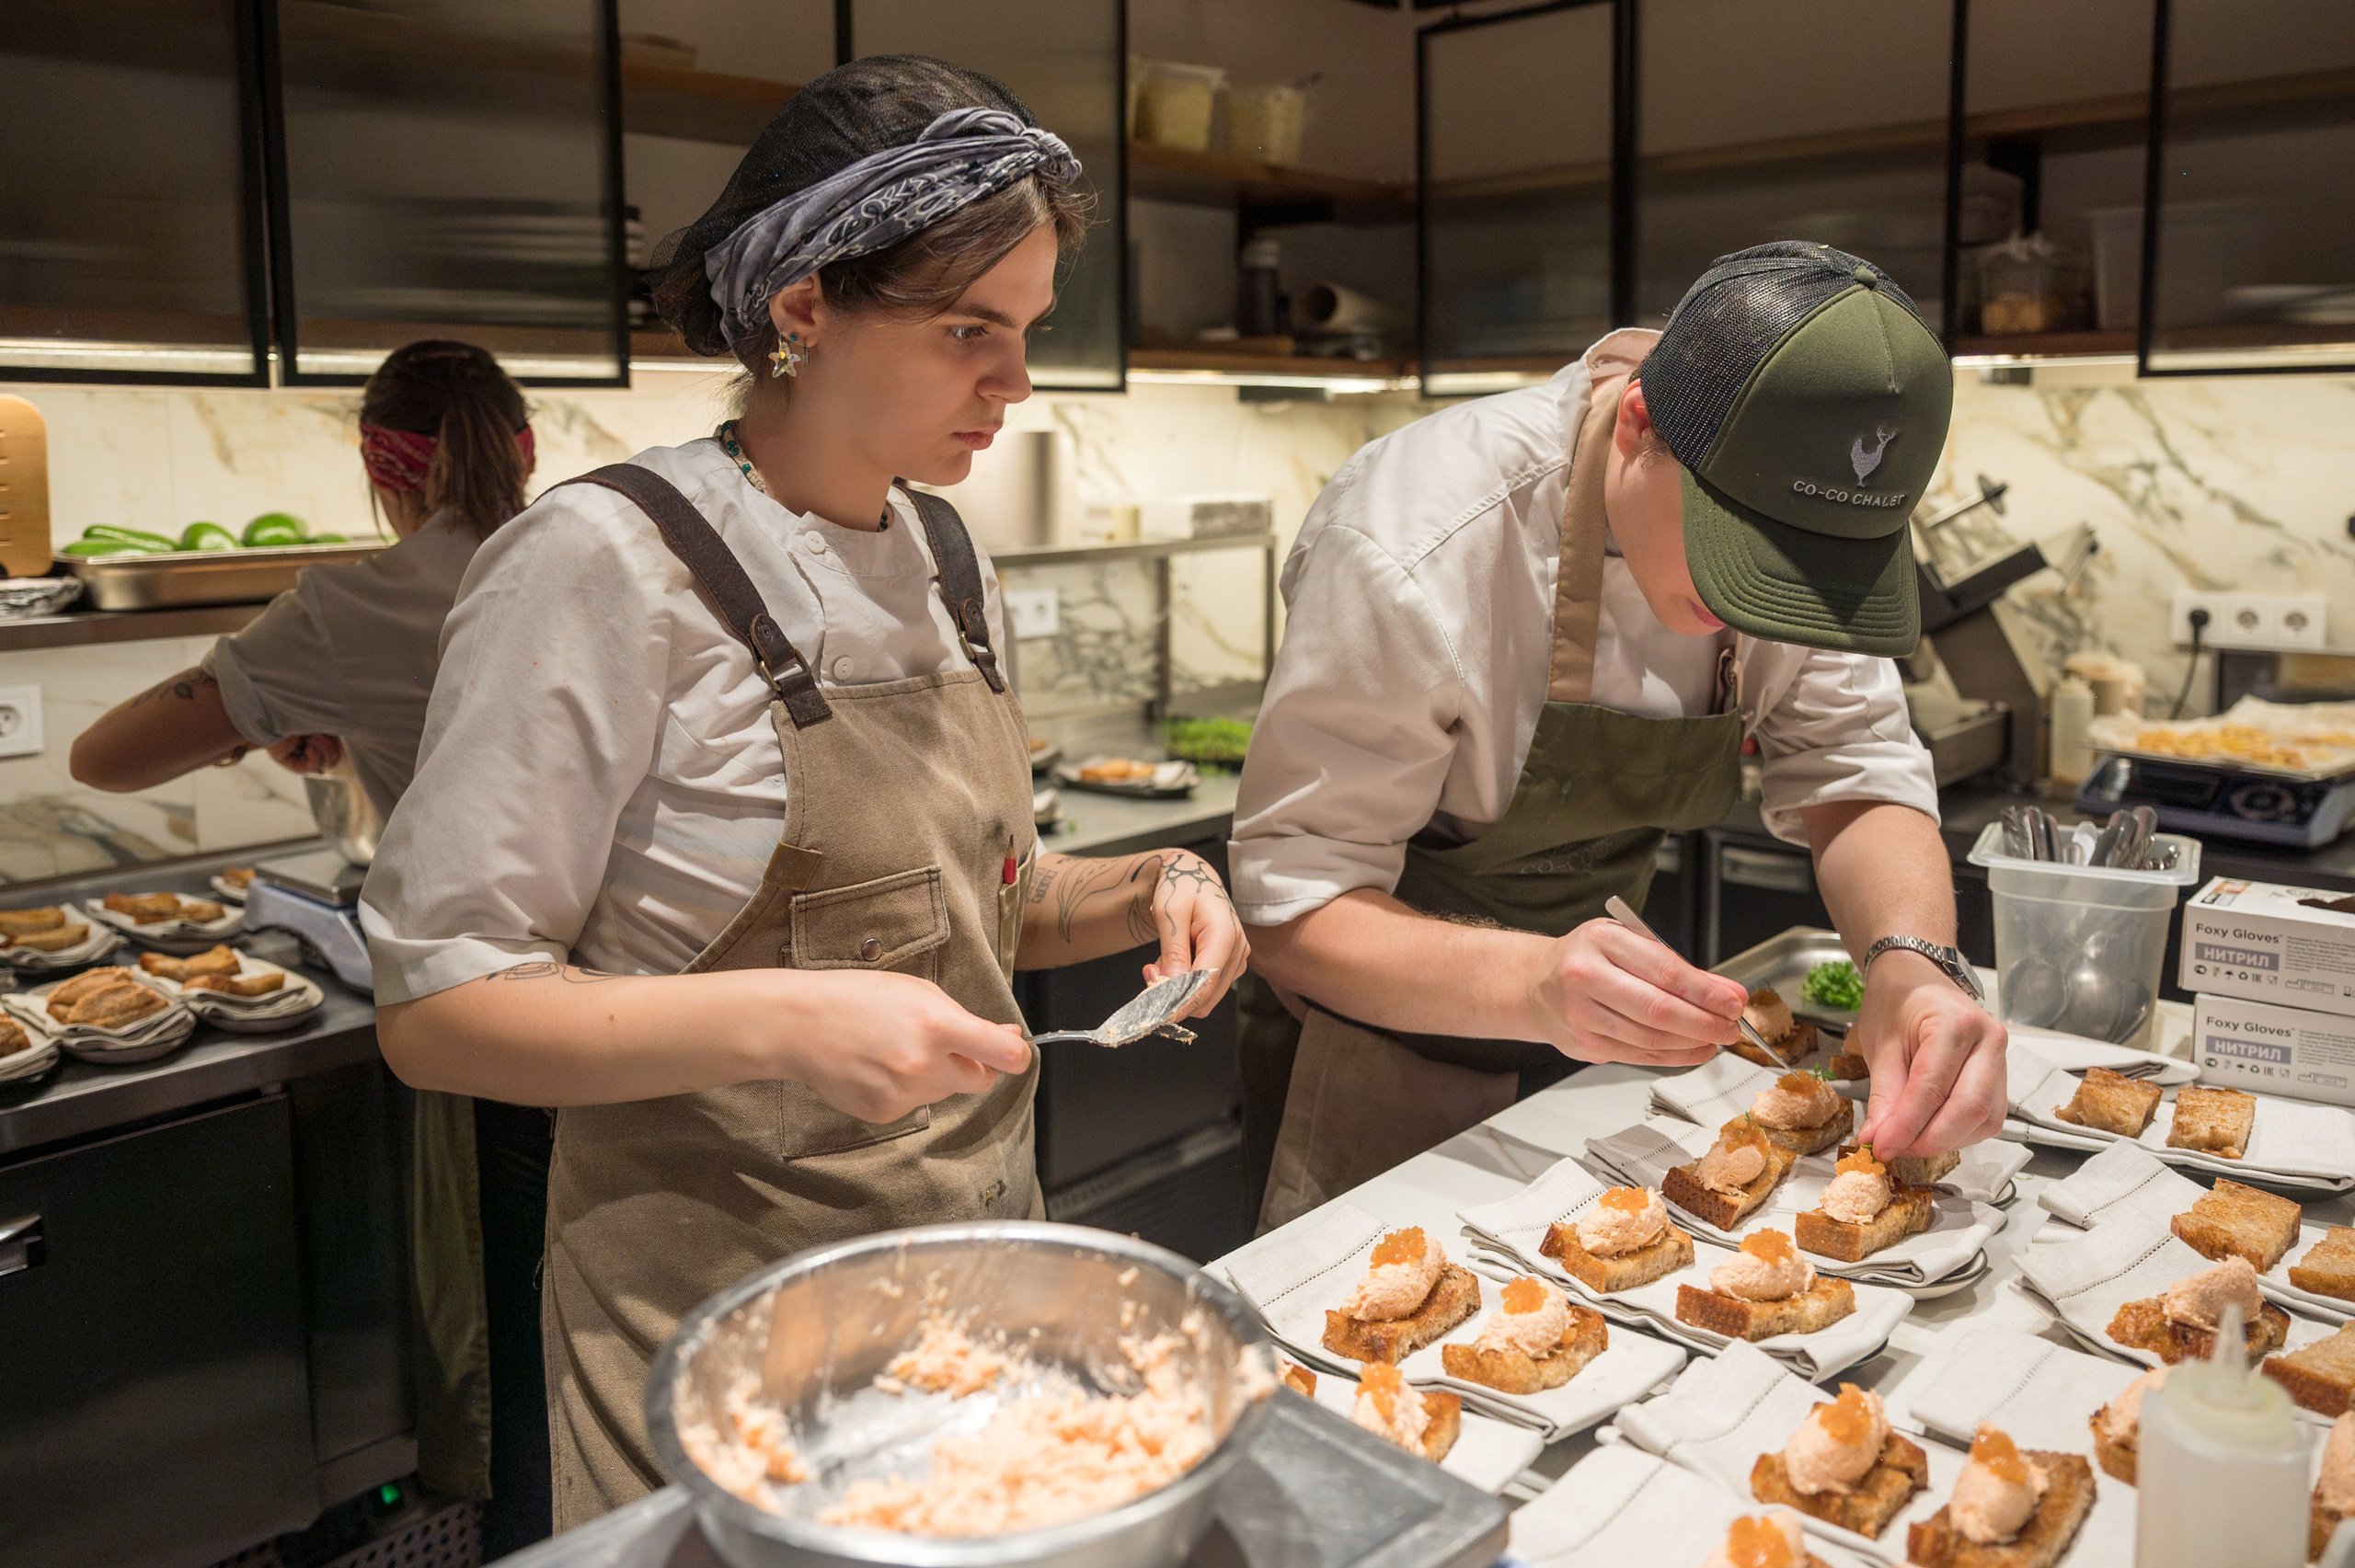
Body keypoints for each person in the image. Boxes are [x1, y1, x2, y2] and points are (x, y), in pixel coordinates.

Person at [357, 56, 1250, 1529]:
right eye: (972, 330)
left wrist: (1159, 885)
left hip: (975, 1300)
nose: (1016, 384)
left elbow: (988, 910)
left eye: (1026, 332)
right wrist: (787, 1018)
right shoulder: (603, 563)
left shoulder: (948, 555)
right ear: (801, 308)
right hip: (709, 1346)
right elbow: (436, 1011)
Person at [1231, 243, 2009, 1230]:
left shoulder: (1809, 520)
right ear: (1639, 421)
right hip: (1371, 1061)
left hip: (1596, 1067)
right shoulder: (1416, 539)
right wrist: (1529, 983)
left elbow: (1854, 772)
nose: (1760, 607)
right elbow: (1288, 907)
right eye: (1740, 560)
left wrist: (1909, 966)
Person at [69, 339, 557, 1555]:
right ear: (524, 450)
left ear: (383, 472)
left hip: (503, 1020)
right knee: (613, 1338)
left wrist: (264, 710)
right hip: (665, 996)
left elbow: (104, 758)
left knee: (522, 1368)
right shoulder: (598, 560)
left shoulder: (354, 604)